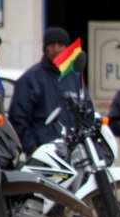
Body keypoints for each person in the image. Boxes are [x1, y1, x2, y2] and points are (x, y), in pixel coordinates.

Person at [9, 27, 91, 155]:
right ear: (45, 48)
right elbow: (18, 119)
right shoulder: (31, 78)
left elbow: (88, 112)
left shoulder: (75, 76)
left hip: (74, 153)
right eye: (51, 45)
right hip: (44, 153)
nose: (56, 49)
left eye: (61, 45)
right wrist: (32, 148)